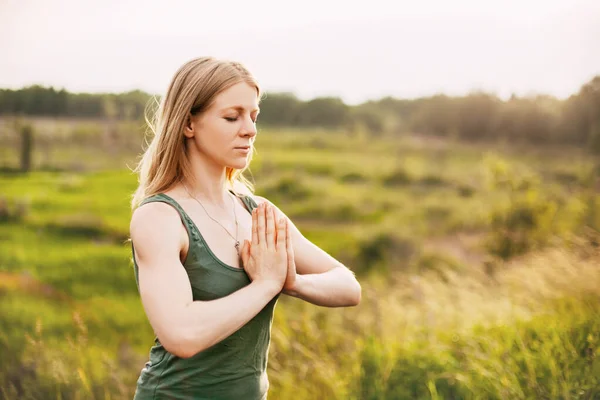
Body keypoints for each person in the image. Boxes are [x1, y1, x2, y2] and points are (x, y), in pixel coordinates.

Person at [129, 56, 361, 399]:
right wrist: (266, 284)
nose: (250, 129)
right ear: (189, 124)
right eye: (231, 116)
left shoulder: (257, 213)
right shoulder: (161, 217)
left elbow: (348, 286)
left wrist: (292, 281)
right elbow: (182, 335)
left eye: (254, 116)